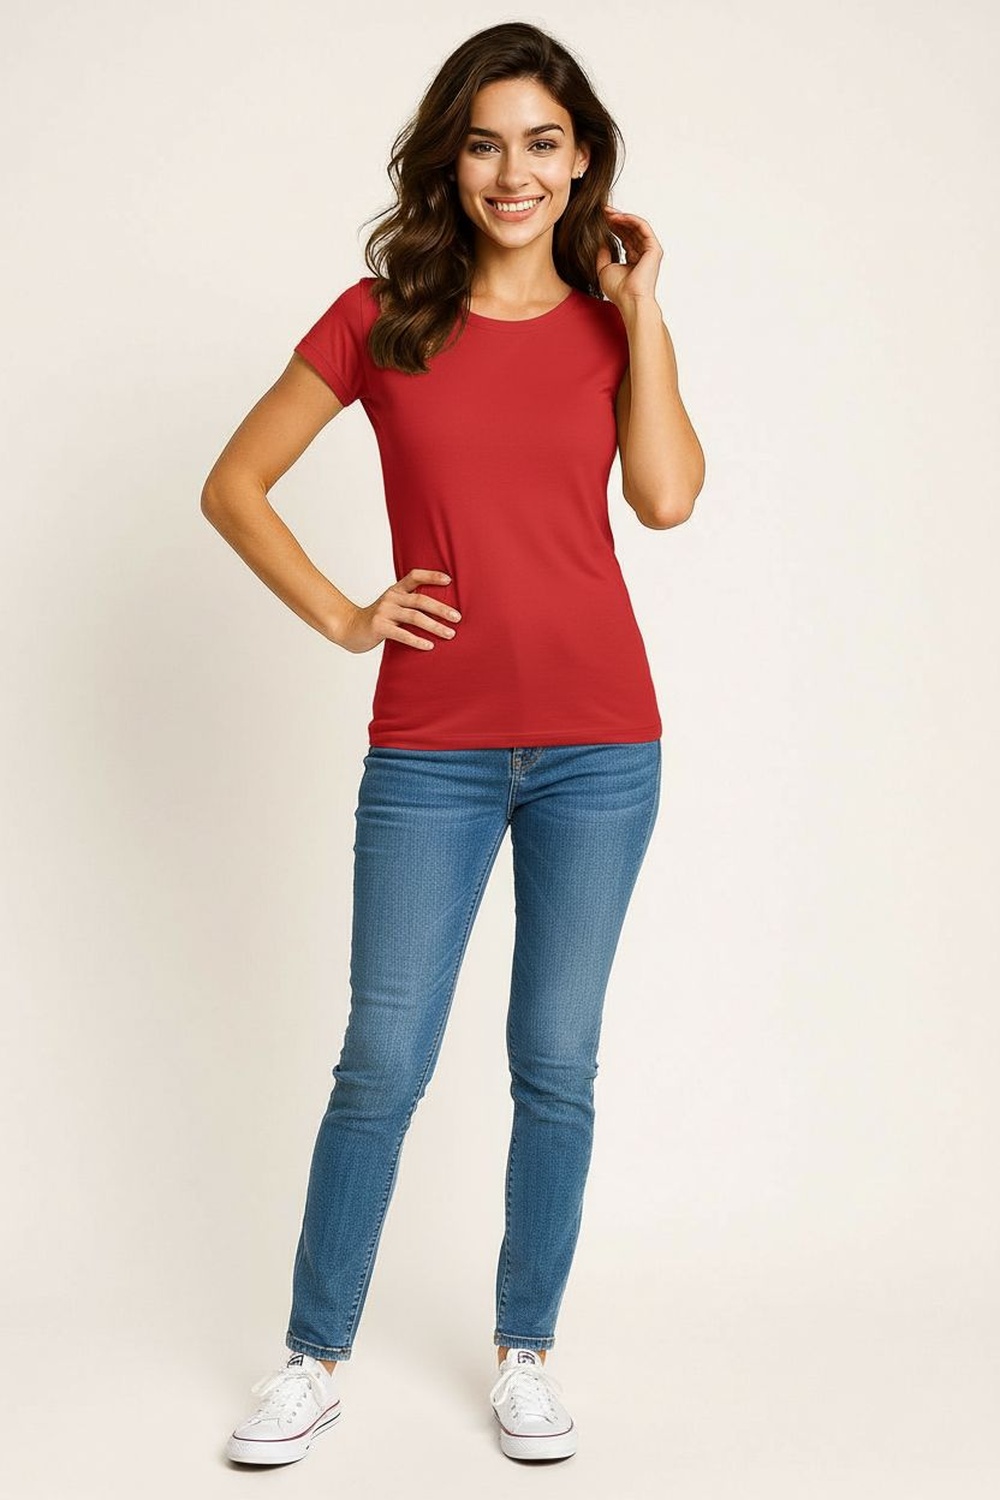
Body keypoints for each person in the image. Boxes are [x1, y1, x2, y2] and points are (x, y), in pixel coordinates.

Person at [203, 19, 704, 1468]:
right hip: (432, 749)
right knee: (383, 1058)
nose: (513, 171)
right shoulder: (383, 319)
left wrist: (645, 308)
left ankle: (525, 1352)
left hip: (603, 747)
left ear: (584, 159)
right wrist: (349, 615)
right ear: (450, 159)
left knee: (557, 1059)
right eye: (485, 143)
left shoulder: (611, 326)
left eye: (543, 142)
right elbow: (235, 485)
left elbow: (665, 498)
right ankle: (312, 1358)